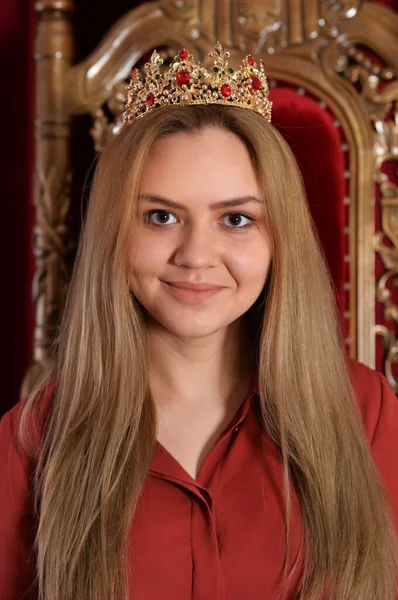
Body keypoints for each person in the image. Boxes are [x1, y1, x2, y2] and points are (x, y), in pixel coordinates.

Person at [1, 43, 398, 600]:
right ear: (116, 231)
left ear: (278, 238)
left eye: (235, 219)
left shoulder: (369, 412)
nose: (196, 254)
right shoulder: (30, 441)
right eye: (161, 216)